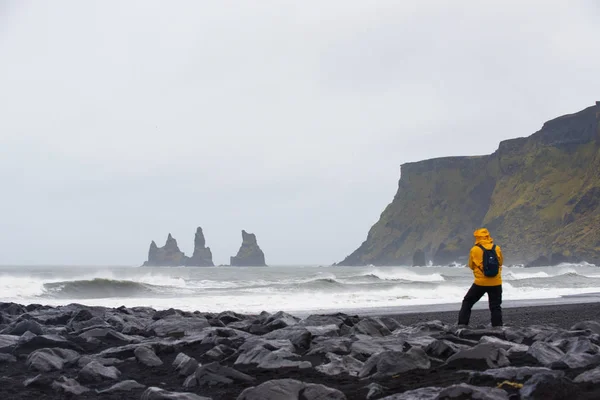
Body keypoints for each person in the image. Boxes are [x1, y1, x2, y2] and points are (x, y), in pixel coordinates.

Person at [458, 228, 504, 327]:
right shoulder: (497, 248)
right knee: (495, 306)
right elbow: (500, 263)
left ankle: (462, 325)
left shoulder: (475, 249)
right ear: (488, 236)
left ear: (477, 237)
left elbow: (471, 265)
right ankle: (498, 327)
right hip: (496, 282)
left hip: (480, 283)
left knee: (467, 302)